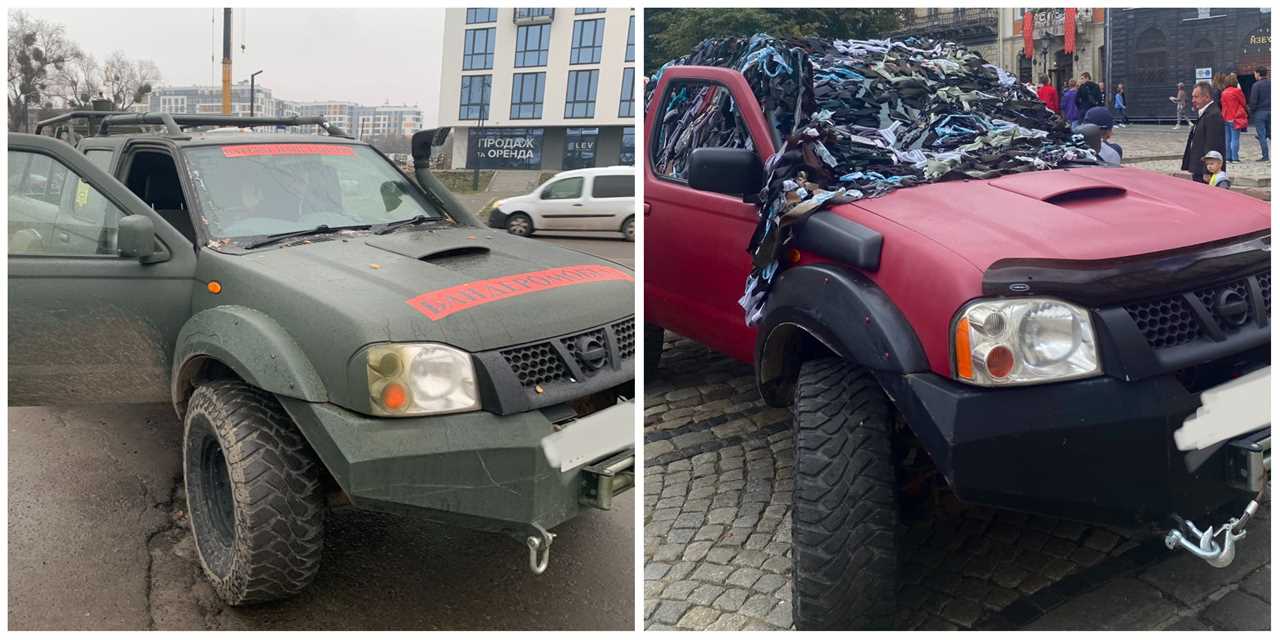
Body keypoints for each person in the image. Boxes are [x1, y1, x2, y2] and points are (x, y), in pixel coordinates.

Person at [1181, 81, 1228, 183]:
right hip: (1199, 168)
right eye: (1193, 97)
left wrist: (1208, 171)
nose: (1193, 100)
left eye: (1196, 97)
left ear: (1206, 97)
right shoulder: (1205, 113)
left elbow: (1213, 144)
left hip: (1206, 172)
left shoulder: (1213, 115)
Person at [1219, 73, 1248, 162]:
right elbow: (1243, 102)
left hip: (1225, 117)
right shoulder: (1237, 91)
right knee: (1235, 139)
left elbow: (1222, 104)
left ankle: (1228, 157)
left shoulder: (1223, 92)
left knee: (1227, 139)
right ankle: (1235, 158)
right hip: (1235, 117)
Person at [1247, 66, 1270, 161]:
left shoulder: (1256, 85)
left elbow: (1253, 101)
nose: (1254, 75)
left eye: (1255, 73)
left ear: (1258, 74)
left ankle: (1265, 156)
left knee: (1262, 135)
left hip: (1260, 112)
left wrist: (1250, 112)